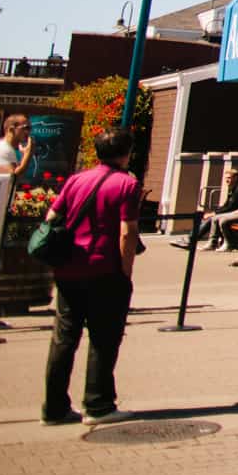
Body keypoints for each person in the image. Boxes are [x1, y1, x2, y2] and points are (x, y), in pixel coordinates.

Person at [39, 128, 141, 426]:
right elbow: (127, 232)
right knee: (103, 337)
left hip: (69, 268)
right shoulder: (127, 185)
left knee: (64, 338)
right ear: (126, 153)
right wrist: (126, 270)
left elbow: (50, 218)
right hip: (104, 269)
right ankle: (97, 404)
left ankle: (54, 407)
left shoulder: (76, 180)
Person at [0, 114, 33, 178]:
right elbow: (12, 178)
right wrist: (27, 155)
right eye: (26, 128)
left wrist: (25, 155)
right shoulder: (2, 148)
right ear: (11, 130)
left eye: (30, 129)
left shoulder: (7, 147)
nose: (28, 132)